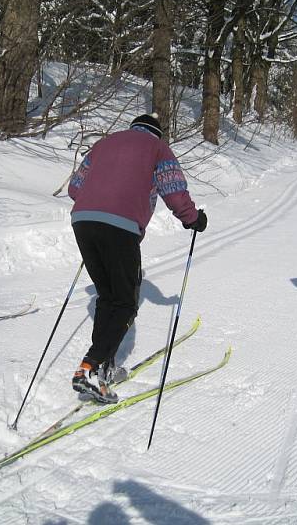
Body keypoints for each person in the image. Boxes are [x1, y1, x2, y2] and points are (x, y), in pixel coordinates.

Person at [67, 113, 208, 403]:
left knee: (109, 298)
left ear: (133, 128)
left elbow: (75, 188)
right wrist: (193, 219)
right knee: (125, 302)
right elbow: (174, 189)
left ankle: (103, 367)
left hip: (83, 221)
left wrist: (99, 201)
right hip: (120, 227)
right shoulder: (157, 148)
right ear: (156, 133)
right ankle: (89, 369)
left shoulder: (104, 144)